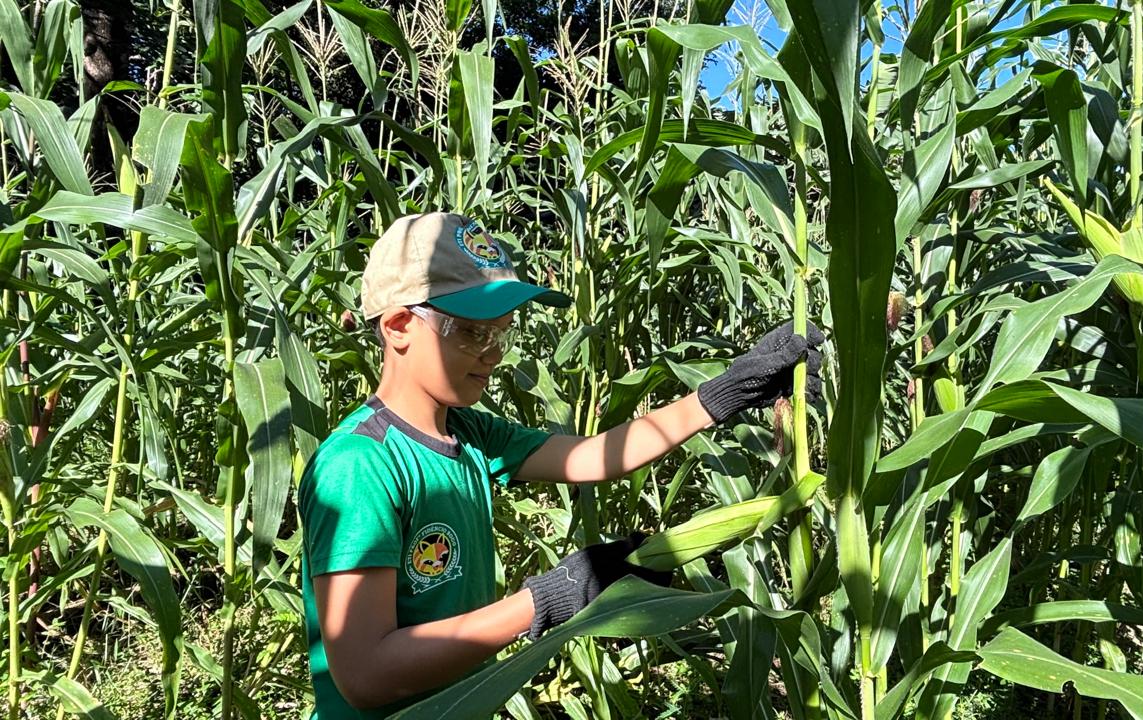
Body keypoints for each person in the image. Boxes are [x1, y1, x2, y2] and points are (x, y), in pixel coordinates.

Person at [299, 211, 824, 718]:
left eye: (501, 333)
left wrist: (728, 390)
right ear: (398, 326)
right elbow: (365, 675)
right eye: (473, 333)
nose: (493, 354)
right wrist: (551, 597)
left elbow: (594, 456)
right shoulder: (359, 465)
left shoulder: (469, 432)